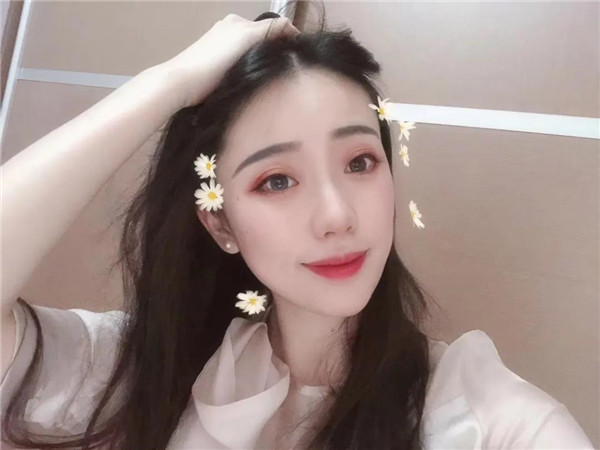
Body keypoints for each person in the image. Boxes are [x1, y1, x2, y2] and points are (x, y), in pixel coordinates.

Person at [0, 8, 594, 450]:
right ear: (220, 221)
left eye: (360, 163)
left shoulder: (486, 420)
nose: (337, 215)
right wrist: (168, 84)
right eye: (277, 180)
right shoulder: (138, 375)